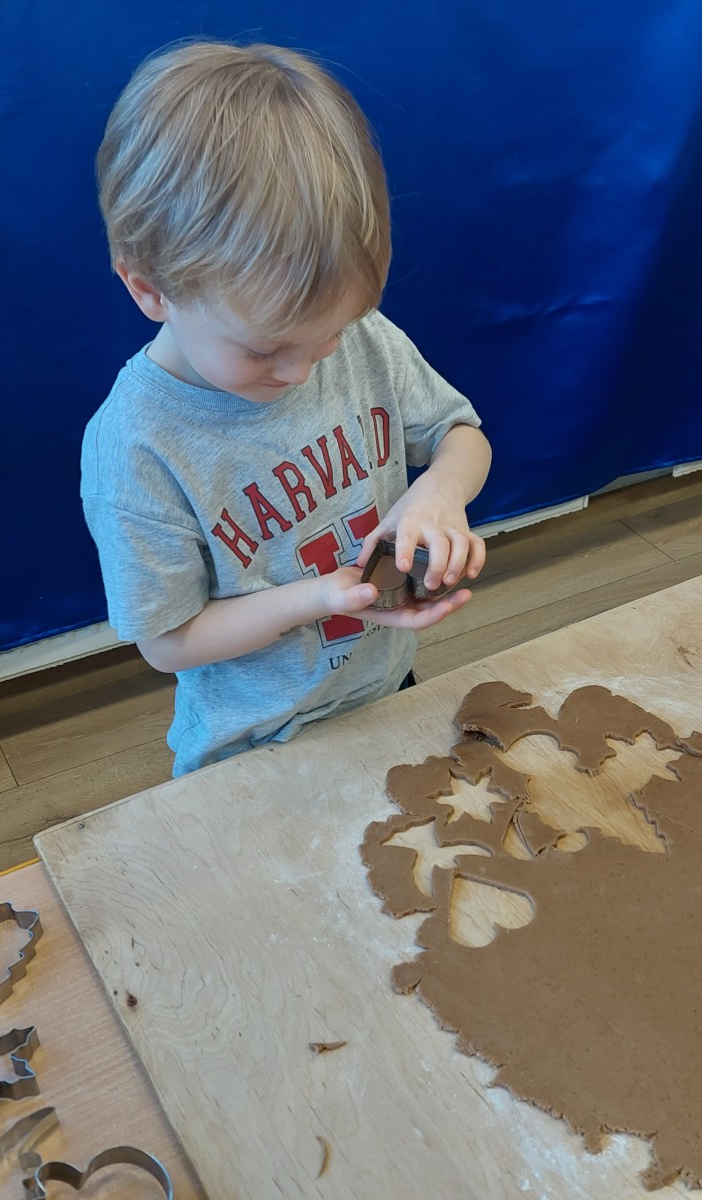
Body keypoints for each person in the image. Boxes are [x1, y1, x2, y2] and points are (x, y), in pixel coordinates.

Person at [82, 40, 491, 776]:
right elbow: (168, 642)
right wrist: (319, 598)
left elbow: (462, 434)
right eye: (264, 349)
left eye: (329, 333)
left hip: (383, 690)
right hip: (254, 745)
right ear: (149, 289)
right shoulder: (136, 447)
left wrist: (441, 490)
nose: (302, 369)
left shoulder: (364, 340)